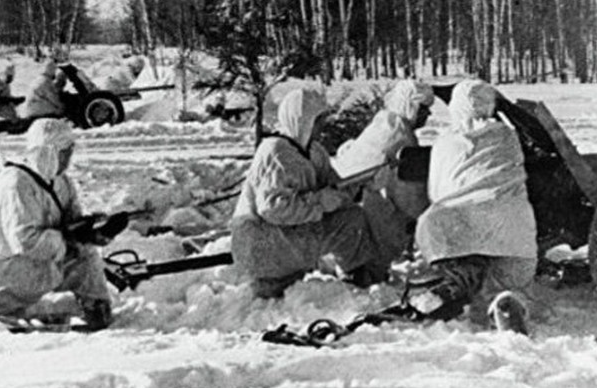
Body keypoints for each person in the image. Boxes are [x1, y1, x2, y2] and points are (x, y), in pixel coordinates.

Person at [230, 87, 384, 298]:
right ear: (301, 120)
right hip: (262, 240)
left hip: (290, 234)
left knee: (351, 218)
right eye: (317, 120)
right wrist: (319, 203)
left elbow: (334, 188)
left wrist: (359, 184)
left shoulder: (314, 152)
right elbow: (273, 209)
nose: (321, 126)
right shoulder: (275, 152)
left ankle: (358, 279)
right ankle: (274, 279)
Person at [411, 79, 538, 328]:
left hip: (456, 233)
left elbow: (435, 192)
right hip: (514, 234)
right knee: (512, 281)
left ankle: (455, 288)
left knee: (449, 242)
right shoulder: (507, 136)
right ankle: (508, 301)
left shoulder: (445, 143)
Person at [0, 118, 113, 330]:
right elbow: (25, 242)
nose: (68, 160)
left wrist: (94, 230)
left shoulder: (61, 181)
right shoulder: (16, 184)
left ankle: (95, 308)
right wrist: (69, 238)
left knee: (86, 253)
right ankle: (23, 310)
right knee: (79, 254)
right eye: (64, 153)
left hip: (28, 267)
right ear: (47, 152)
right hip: (2, 274)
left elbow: (73, 222)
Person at [334, 79, 435, 267]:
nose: (428, 113)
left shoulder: (385, 123)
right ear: (410, 106)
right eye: (423, 108)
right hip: (374, 215)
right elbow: (409, 199)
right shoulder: (399, 137)